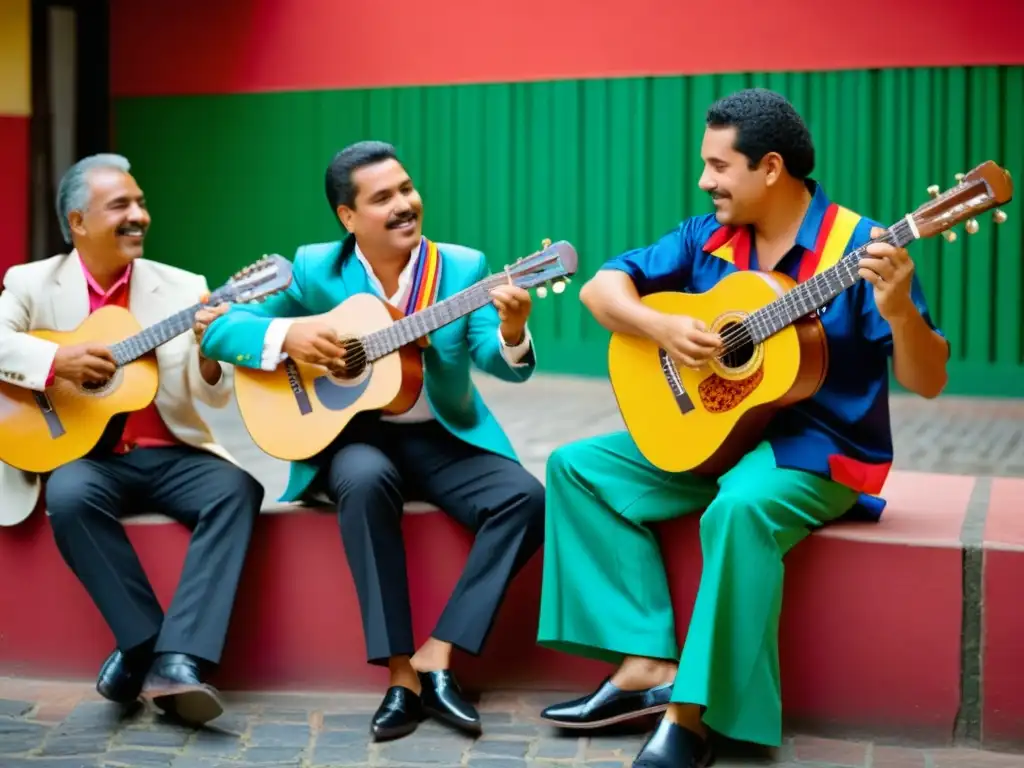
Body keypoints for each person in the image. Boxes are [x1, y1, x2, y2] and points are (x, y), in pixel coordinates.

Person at [535, 89, 950, 768]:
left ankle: (692, 716)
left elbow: (929, 381)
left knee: (739, 508)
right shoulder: (707, 237)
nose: (704, 181)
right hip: (716, 433)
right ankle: (641, 662)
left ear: (771, 169)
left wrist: (900, 310)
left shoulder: (860, 246)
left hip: (817, 451)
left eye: (718, 166)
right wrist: (661, 326)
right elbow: (600, 288)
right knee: (576, 467)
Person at [200, 140, 546, 741]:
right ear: (348, 216)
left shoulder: (462, 269)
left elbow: (499, 359)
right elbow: (220, 327)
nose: (405, 204)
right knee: (364, 479)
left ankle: (439, 654)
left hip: (441, 434)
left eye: (407, 189)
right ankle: (398, 673)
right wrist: (291, 337)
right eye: (383, 197)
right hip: (348, 437)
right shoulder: (314, 269)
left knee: (526, 498)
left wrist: (513, 330)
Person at [0, 154, 264, 726]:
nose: (139, 215)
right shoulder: (30, 282)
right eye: (121, 206)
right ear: (77, 222)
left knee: (237, 489)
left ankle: (180, 660)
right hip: (82, 456)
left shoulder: (186, 288)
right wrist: (57, 361)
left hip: (167, 455)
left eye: (140, 203)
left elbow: (211, 398)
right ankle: (143, 640)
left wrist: (211, 354)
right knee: (69, 495)